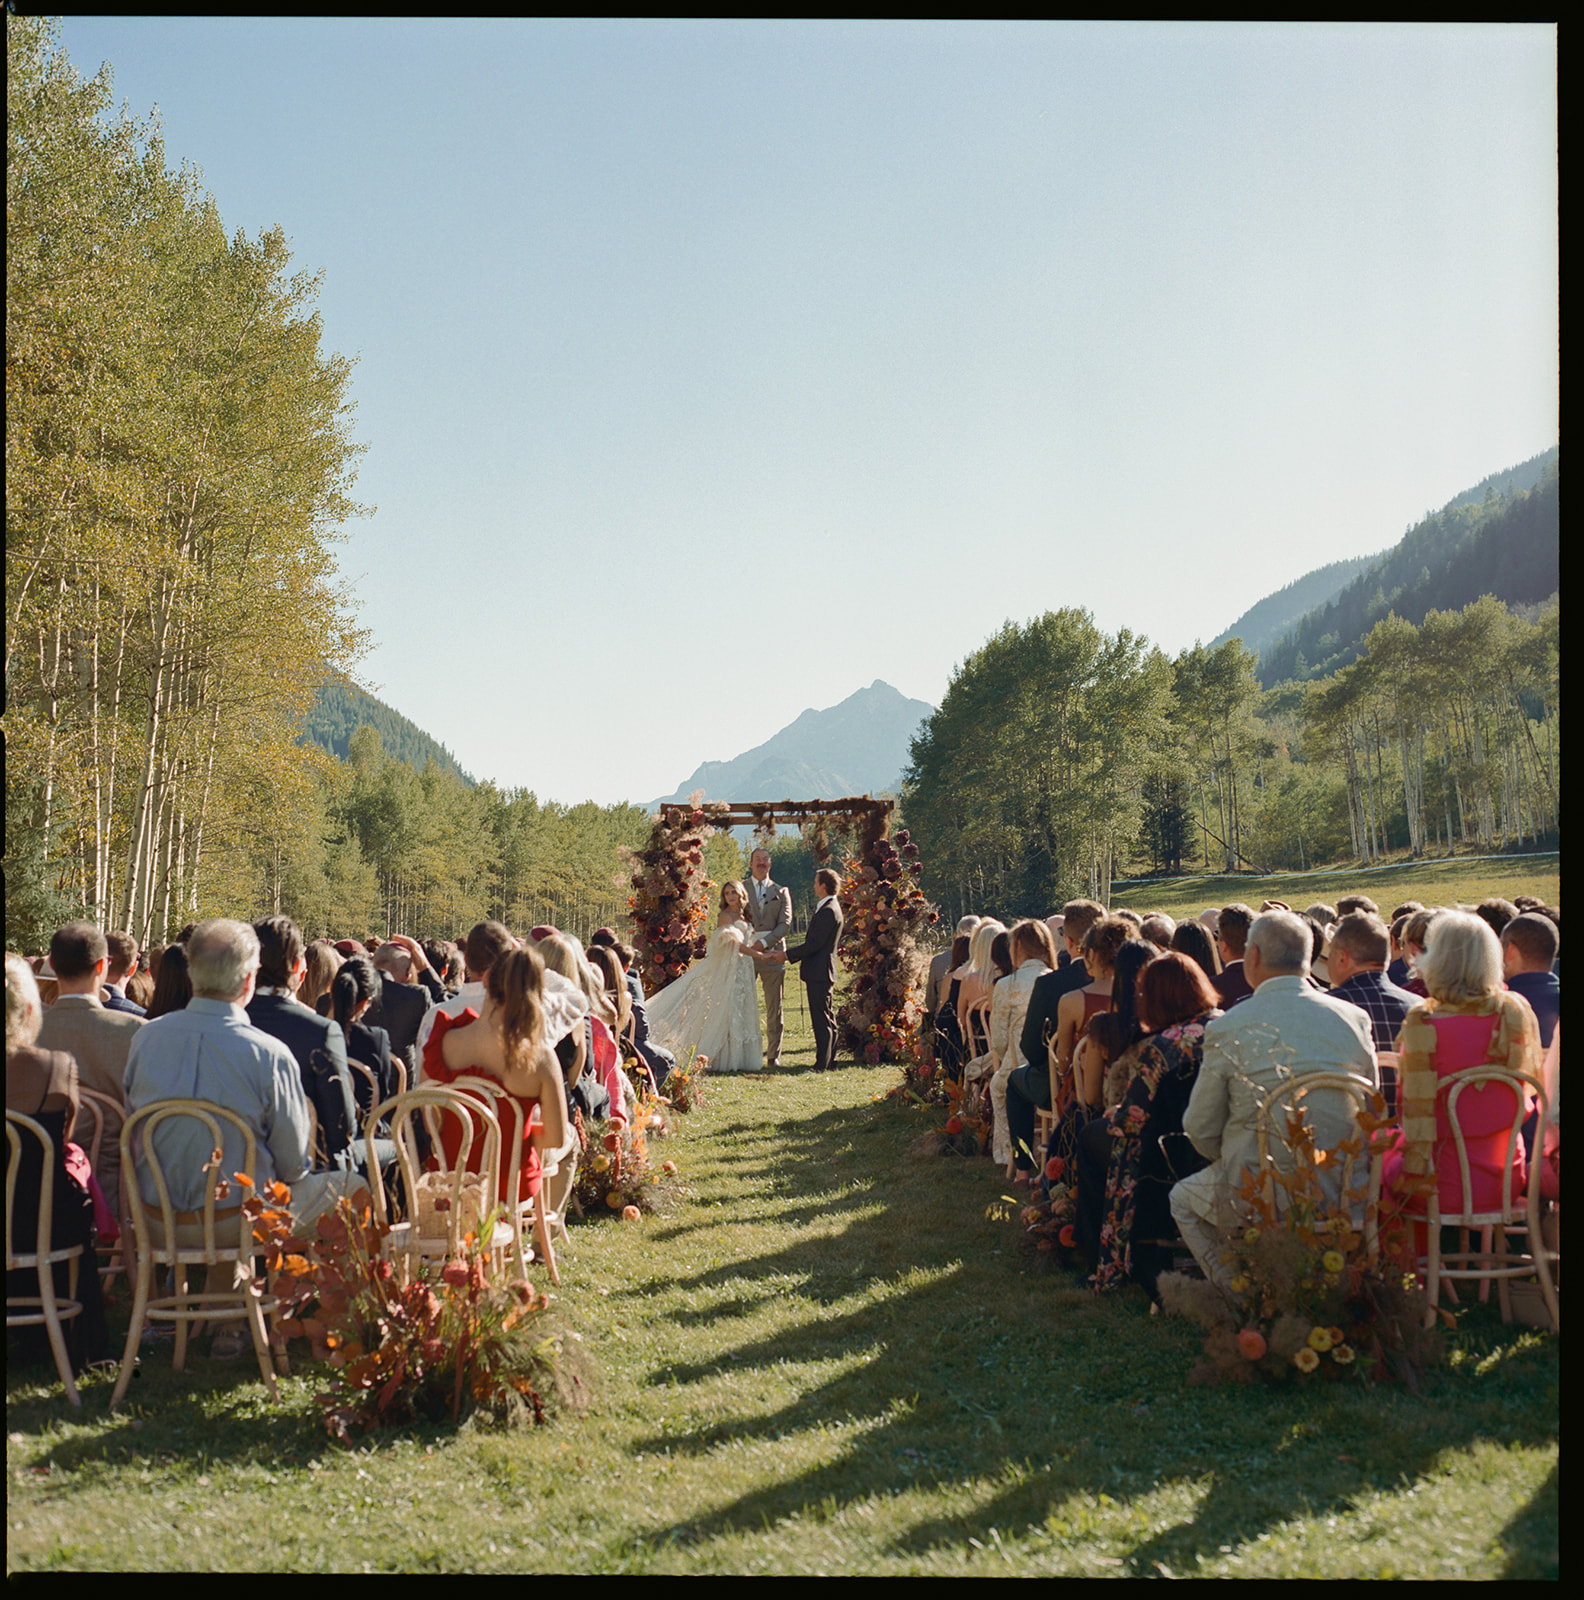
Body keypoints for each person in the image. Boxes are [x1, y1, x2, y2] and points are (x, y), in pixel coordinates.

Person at [1170, 909, 1378, 1289]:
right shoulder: (1354, 1018)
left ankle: (1243, 1293)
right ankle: (1338, 1283)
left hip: (1259, 1190)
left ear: (1252, 957)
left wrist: (1235, 1155)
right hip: (1345, 1186)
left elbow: (1198, 1127)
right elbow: (1371, 1109)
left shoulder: (1228, 1026)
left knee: (1182, 1200)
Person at [1083, 952, 1221, 1301]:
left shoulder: (1163, 1047)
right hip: (1222, 1146)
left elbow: (1132, 1118)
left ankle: (1097, 1254)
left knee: (1091, 1137)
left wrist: (1114, 1112)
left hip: (1168, 1155)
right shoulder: (1227, 1028)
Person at [1386, 911, 1542, 1218]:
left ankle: (1415, 1262)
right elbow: (1525, 1102)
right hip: (1506, 1179)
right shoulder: (1512, 1017)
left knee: (1382, 1151)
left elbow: (1408, 1112)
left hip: (1437, 1184)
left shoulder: (1423, 1026)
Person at [6, 952, 110, 1370]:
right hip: (37, 1219)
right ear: (32, 1009)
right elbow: (62, 1141)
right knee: (70, 1198)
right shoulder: (55, 1067)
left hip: (32, 1214)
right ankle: (80, 1341)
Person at [420, 945, 567, 1207]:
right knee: (569, 1142)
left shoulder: (443, 1040)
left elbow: (430, 1116)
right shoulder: (539, 1057)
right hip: (508, 1183)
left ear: (486, 980)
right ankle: (544, 1241)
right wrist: (507, 1130)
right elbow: (555, 1138)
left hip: (449, 1178)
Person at [35, 922, 143, 1238]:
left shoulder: (28, 1032)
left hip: (39, 1182)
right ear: (102, 965)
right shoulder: (134, 1031)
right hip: (117, 1184)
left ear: (52, 965)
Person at [645, 882, 768, 1073]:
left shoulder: (744, 915)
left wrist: (756, 951)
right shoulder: (724, 916)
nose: (731, 896)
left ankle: (743, 1057)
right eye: (727, 893)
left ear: (741, 894)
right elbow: (734, 943)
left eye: (734, 892)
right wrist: (758, 954)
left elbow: (746, 941)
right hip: (730, 967)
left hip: (744, 966)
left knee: (744, 1007)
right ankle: (721, 1058)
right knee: (728, 1007)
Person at [1326, 910, 1416, 1113]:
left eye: (1330, 952)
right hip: (1413, 1134)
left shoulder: (1324, 1009)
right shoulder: (1420, 1008)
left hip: (1346, 1136)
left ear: (1342, 957)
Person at [768, 869, 845, 1072]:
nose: (813, 886)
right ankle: (830, 1061)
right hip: (822, 971)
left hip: (820, 971)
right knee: (827, 1016)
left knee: (821, 1019)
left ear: (824, 886)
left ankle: (822, 1064)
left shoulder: (828, 910)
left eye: (816, 882)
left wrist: (786, 955)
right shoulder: (831, 907)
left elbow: (813, 944)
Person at [742, 847, 794, 1070]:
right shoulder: (740, 888)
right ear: (751, 863)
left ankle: (774, 1056)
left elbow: (785, 924)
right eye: (757, 859)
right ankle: (745, 1053)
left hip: (773, 954)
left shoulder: (781, 891)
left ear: (770, 864)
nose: (761, 863)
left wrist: (763, 944)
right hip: (745, 955)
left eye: (765, 859)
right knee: (743, 1004)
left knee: (775, 1007)